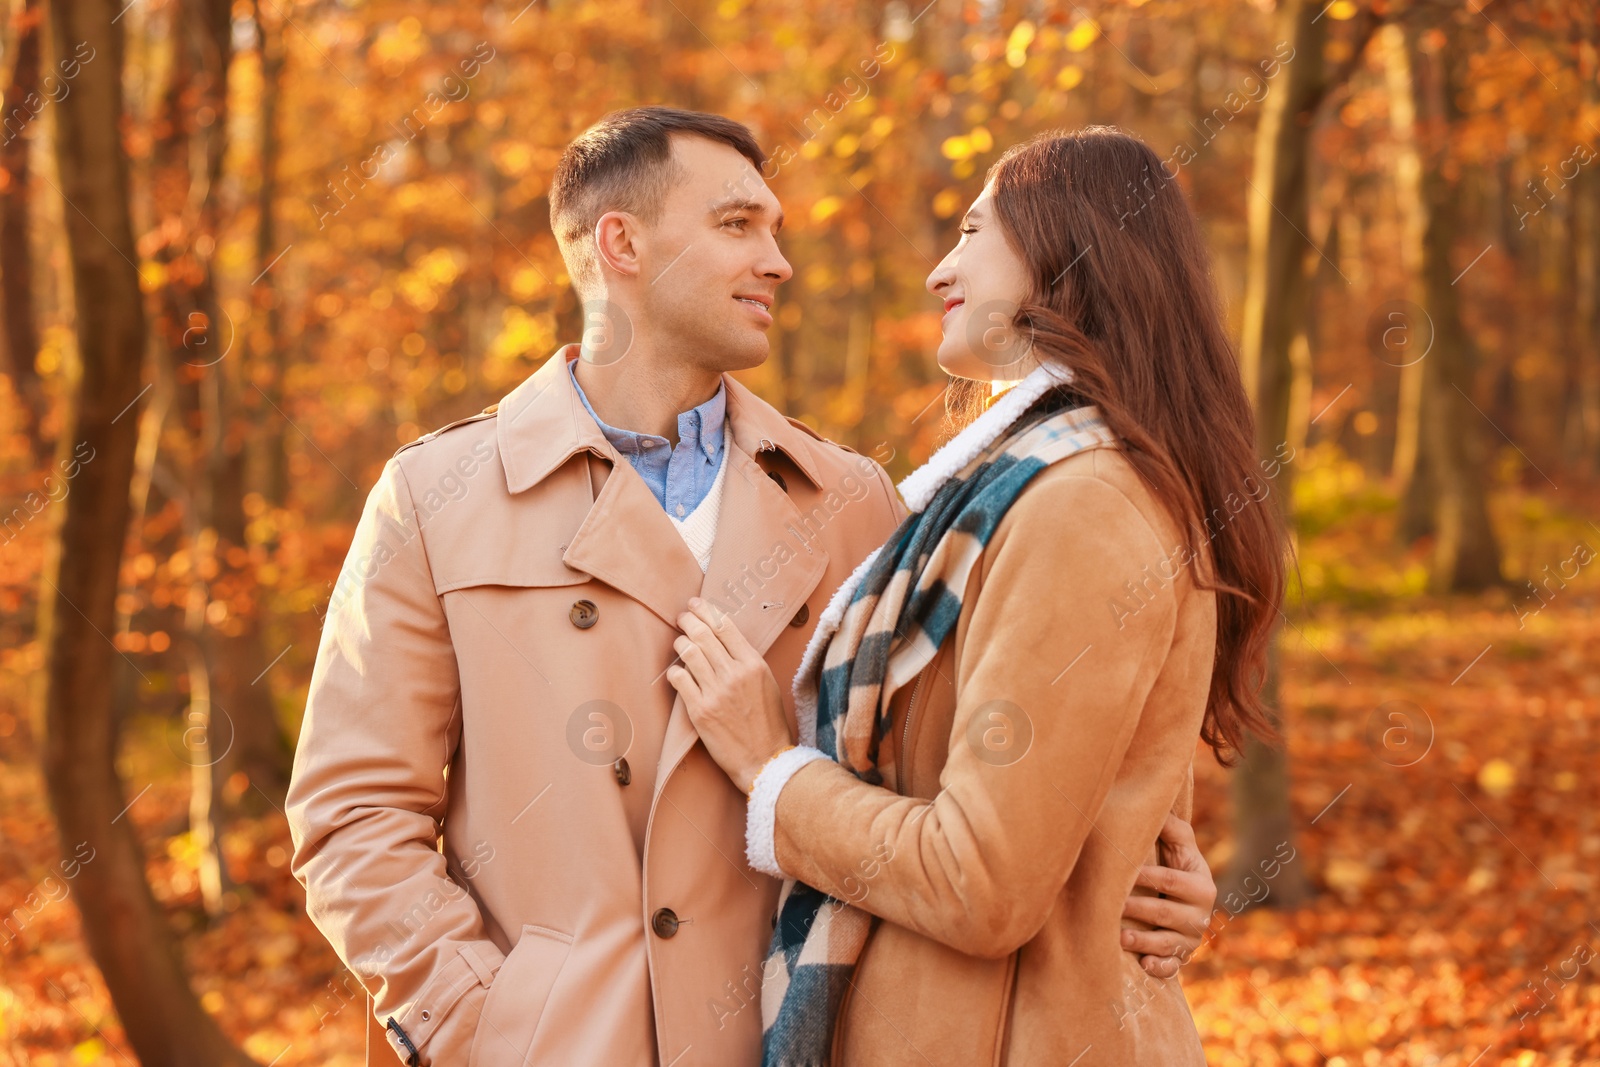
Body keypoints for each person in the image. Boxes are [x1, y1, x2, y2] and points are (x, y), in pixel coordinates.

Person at [286, 109, 1216, 1067]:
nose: (779, 260)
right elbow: (353, 816)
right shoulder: (435, 496)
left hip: (800, 1041)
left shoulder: (855, 500)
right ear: (622, 243)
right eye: (739, 225)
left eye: (777, 229)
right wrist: (483, 1024)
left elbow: (982, 781)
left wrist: (1133, 873)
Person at [669, 126, 1286, 1066]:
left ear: (1063, 248)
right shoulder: (1021, 493)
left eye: (971, 229)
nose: (938, 270)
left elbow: (982, 881)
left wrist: (772, 770)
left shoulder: (1081, 503)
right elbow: (1102, 811)